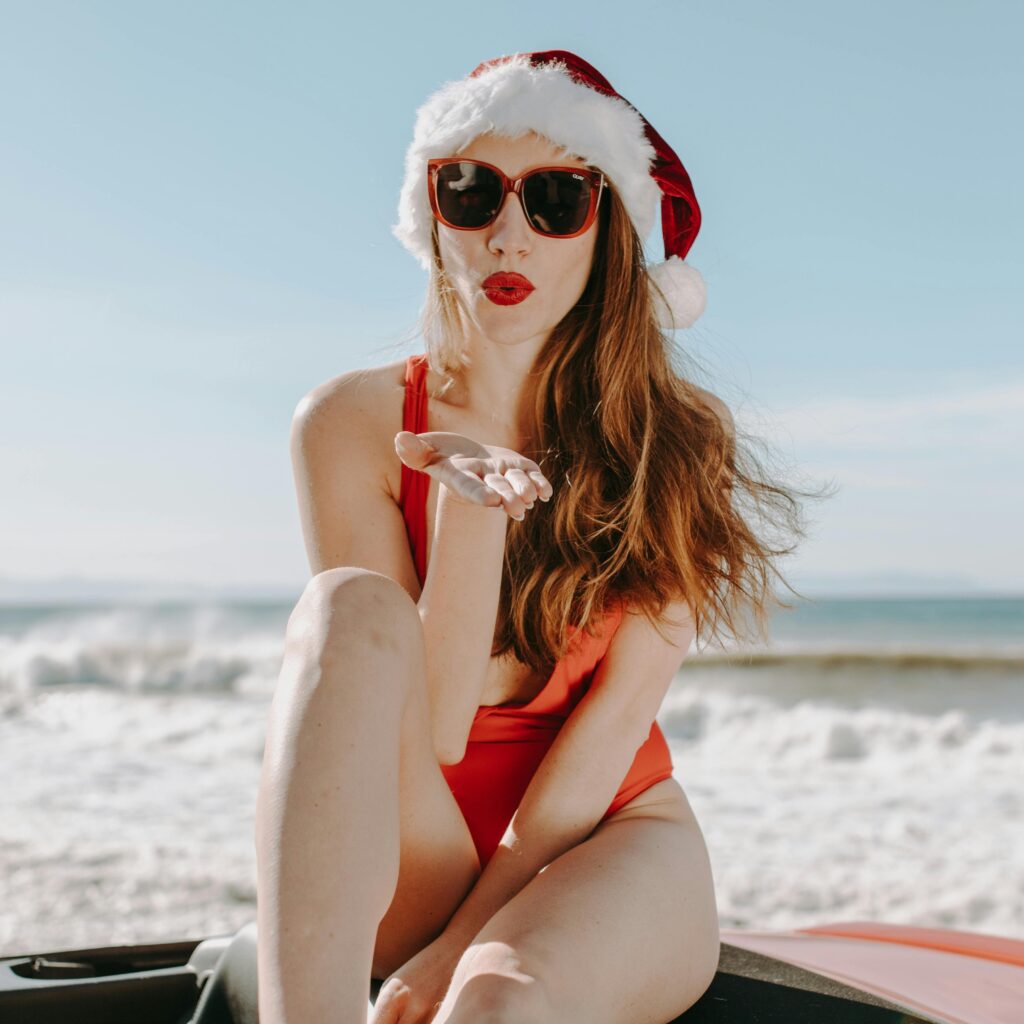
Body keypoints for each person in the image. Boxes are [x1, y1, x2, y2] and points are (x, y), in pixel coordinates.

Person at [255, 50, 808, 1024]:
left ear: (606, 231)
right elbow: (427, 727)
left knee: (498, 1005)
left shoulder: (677, 441)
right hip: (409, 830)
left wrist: (458, 954)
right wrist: (468, 517)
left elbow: (608, 732)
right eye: (471, 193)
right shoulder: (351, 422)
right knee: (346, 604)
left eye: (555, 199)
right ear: (432, 217)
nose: (509, 233)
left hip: (602, 832)